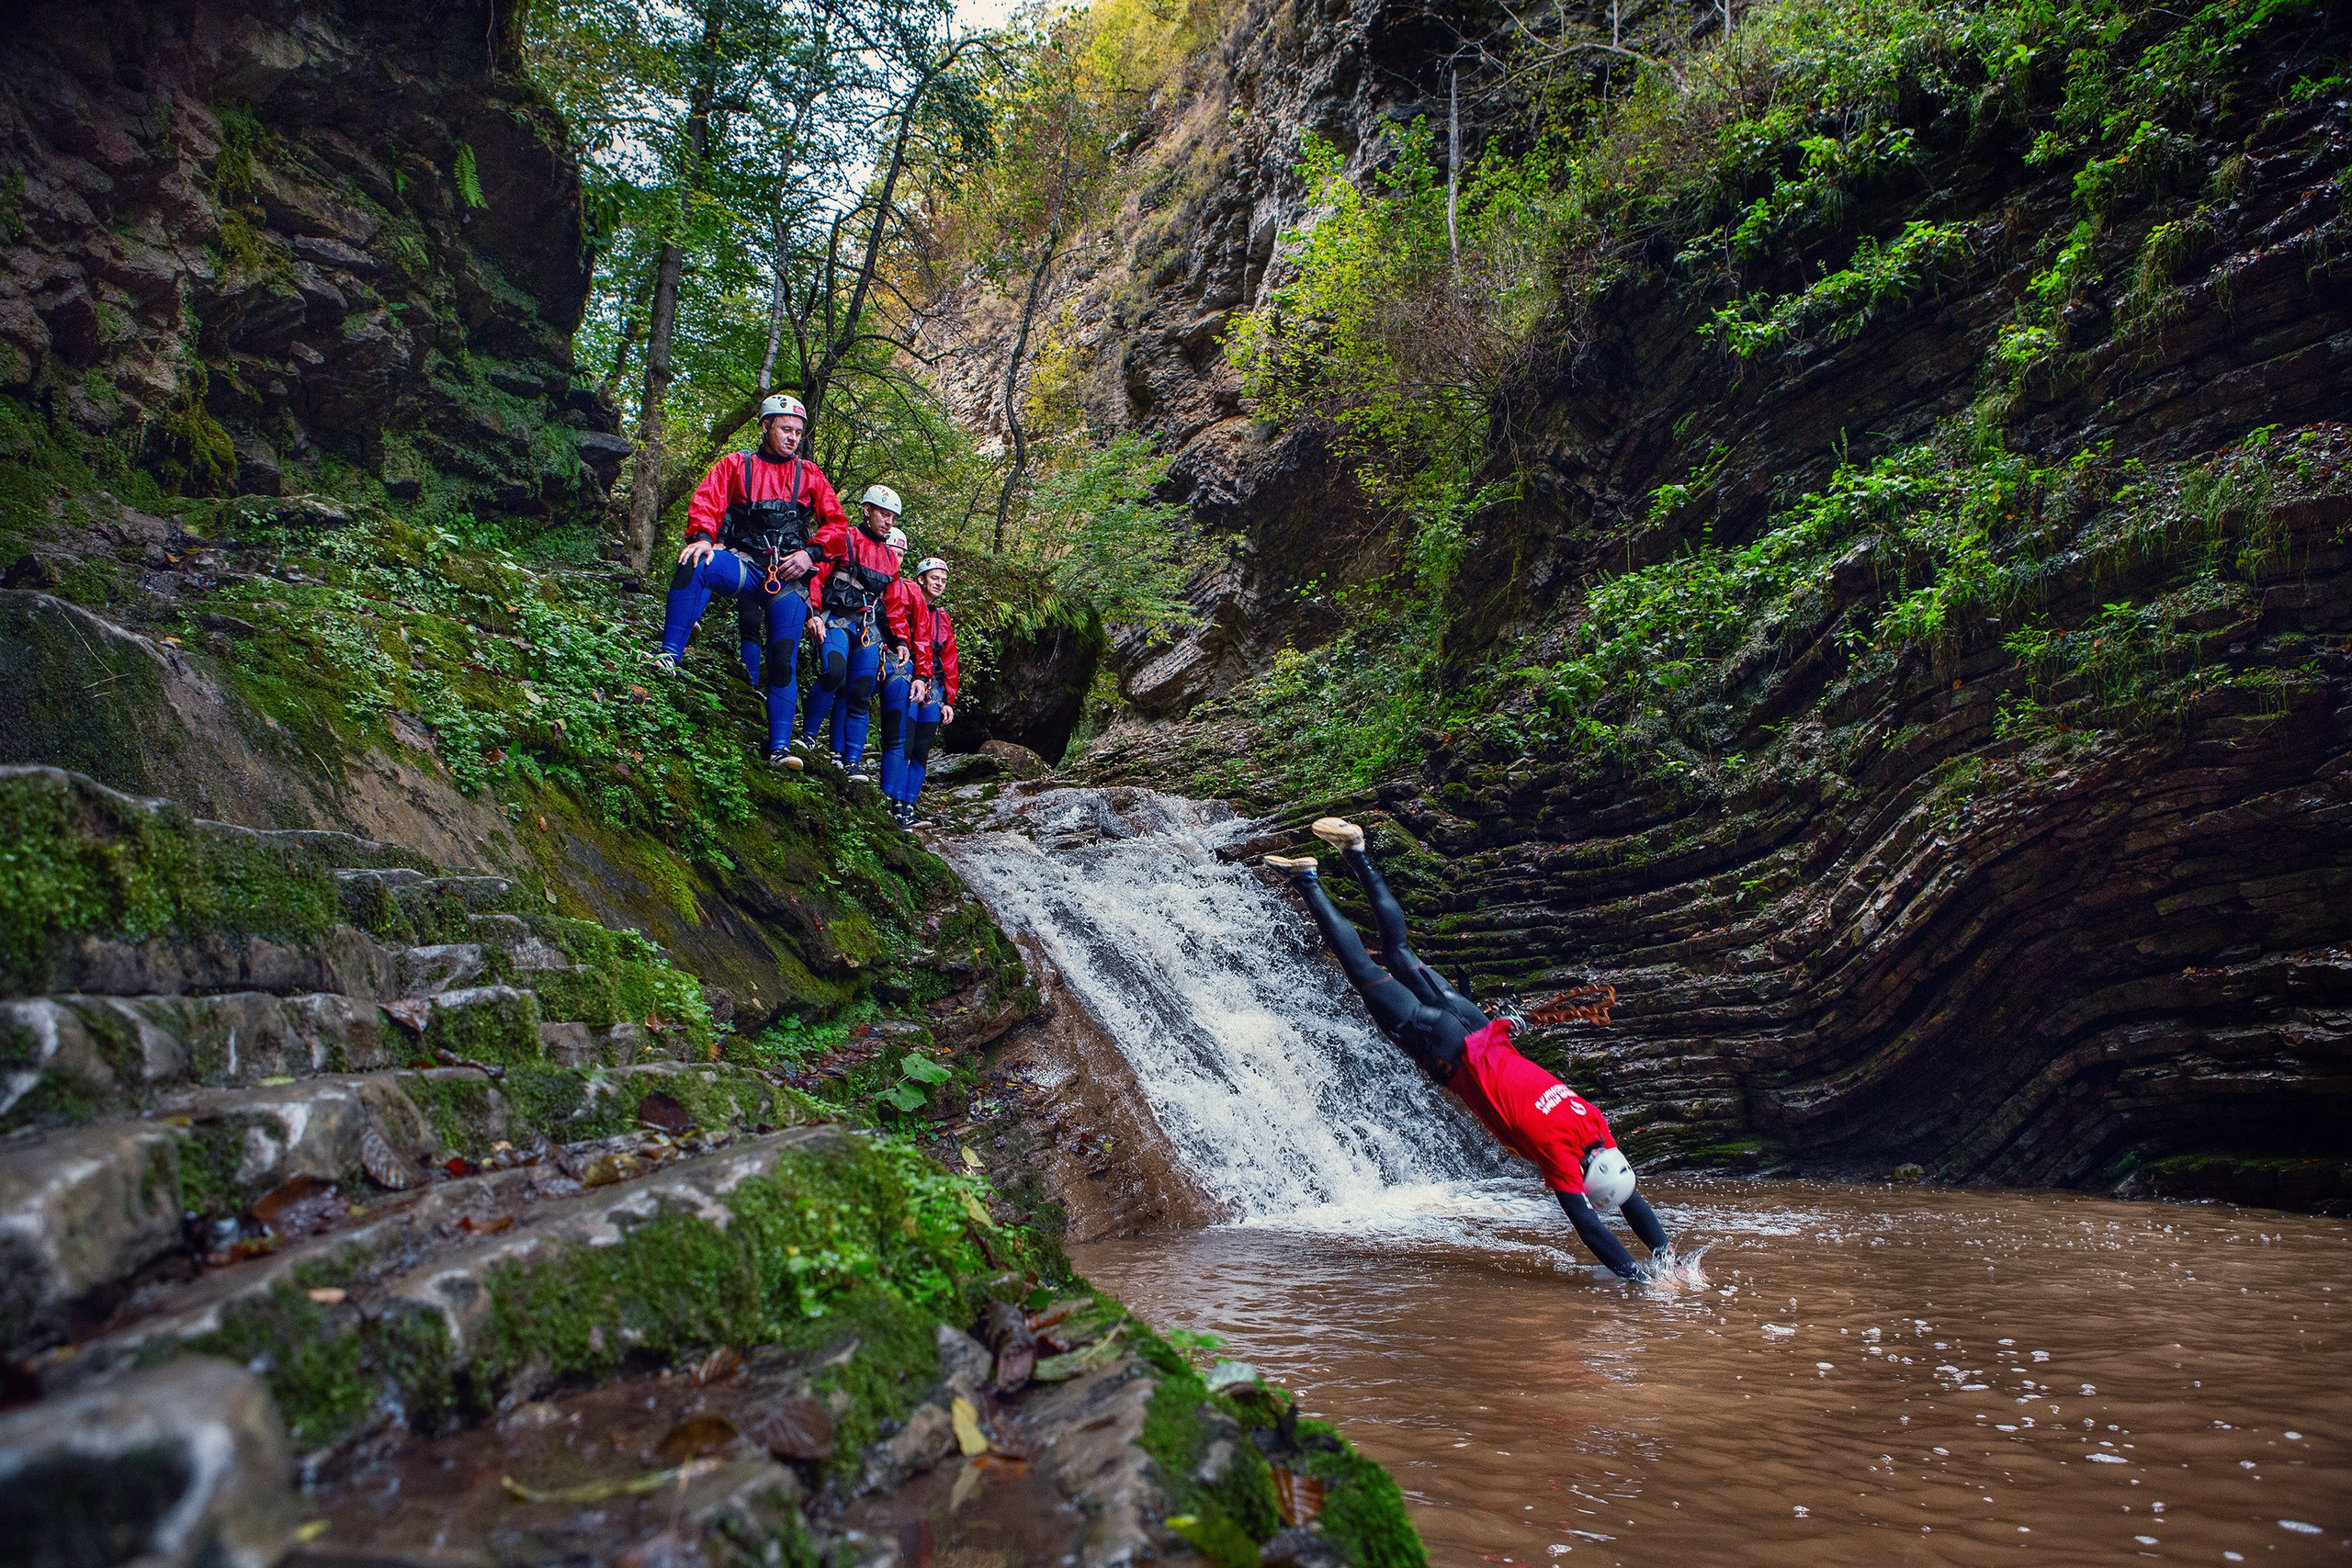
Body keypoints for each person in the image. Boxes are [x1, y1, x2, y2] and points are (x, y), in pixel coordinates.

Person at [1265, 818, 1675, 1280]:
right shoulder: (1559, 1155)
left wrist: (1667, 1259)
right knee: (1364, 970)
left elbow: (1630, 1197)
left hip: (1479, 1023)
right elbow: (1590, 1229)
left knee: (1399, 949)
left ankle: (1356, 849)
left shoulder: (1593, 1125)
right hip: (1447, 1043)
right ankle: (1306, 880)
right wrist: (1636, 1277)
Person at [656, 392, 850, 765]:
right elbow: (707, 502)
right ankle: (669, 655)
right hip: (746, 567)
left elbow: (838, 527)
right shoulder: (735, 465)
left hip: (788, 581)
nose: (793, 437)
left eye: (798, 431)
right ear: (765, 426)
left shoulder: (810, 475)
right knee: (696, 561)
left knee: (782, 659)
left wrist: (810, 553)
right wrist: (702, 538)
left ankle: (779, 748)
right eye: (785, 429)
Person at [799, 487, 906, 778]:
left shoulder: (889, 558)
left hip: (867, 630)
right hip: (836, 619)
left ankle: (852, 761)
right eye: (884, 514)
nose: (889, 522)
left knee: (860, 694)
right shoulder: (844, 539)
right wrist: (814, 614)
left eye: (893, 518)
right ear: (867, 510)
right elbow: (817, 577)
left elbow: (894, 603)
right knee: (833, 672)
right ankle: (807, 737)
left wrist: (900, 641)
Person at [880, 556, 957, 828]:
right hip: (907, 674)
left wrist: (948, 700)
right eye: (935, 578)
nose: (939, 584)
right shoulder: (904, 600)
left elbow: (948, 659)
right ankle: (892, 800)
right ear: (921, 578)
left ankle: (908, 806)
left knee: (922, 748)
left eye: (944, 580)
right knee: (905, 740)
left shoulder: (942, 619)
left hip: (933, 687)